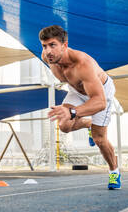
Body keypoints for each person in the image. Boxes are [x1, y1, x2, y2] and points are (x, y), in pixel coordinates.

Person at [39, 25, 120, 189]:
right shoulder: (47, 57)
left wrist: (73, 111)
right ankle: (88, 124)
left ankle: (114, 172)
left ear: (65, 45)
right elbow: (49, 56)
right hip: (76, 90)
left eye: (53, 45)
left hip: (100, 93)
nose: (48, 51)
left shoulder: (83, 64)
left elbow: (100, 102)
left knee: (99, 139)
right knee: (64, 125)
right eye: (44, 46)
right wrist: (70, 113)